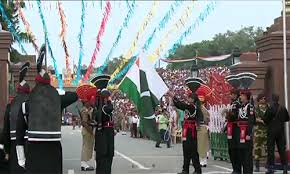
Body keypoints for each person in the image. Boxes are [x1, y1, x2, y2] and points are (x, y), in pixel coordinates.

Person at [15, 45, 78, 174]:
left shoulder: (25, 105)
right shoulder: (58, 101)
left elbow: (19, 136)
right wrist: (59, 92)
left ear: (36, 85)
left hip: (33, 150)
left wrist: (21, 160)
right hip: (53, 149)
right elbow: (75, 95)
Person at [170, 77, 204, 174]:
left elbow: (181, 105)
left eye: (189, 98)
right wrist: (174, 99)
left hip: (191, 131)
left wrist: (174, 97)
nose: (187, 99)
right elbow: (180, 105)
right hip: (187, 130)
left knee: (192, 151)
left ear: (192, 99)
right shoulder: (190, 107)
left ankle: (197, 170)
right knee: (186, 150)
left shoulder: (192, 107)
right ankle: (185, 169)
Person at [2, 62, 30, 174]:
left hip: (14, 144)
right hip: (30, 142)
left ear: (17, 90)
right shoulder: (31, 102)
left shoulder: (11, 105)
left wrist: (7, 151)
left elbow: (6, 130)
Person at [91, 74, 115, 174]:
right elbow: (110, 108)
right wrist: (109, 101)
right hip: (105, 135)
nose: (108, 97)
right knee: (105, 157)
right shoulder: (104, 108)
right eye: (107, 96)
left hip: (105, 134)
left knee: (105, 158)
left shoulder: (99, 108)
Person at [264, 94, 289, 174]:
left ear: (272, 99)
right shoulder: (283, 108)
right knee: (282, 149)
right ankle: (285, 168)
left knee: (270, 149)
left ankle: (271, 168)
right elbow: (287, 118)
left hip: (271, 131)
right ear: (278, 99)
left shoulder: (270, 108)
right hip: (281, 131)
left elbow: (265, 119)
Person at [253, 93, 269, 172]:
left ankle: (268, 164)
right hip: (258, 131)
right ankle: (257, 165)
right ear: (259, 100)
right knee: (257, 148)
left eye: (265, 98)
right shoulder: (256, 108)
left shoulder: (268, 107)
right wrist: (262, 120)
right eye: (262, 98)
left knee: (267, 148)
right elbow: (254, 118)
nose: (264, 100)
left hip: (267, 130)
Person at [196, 88, 210, 167]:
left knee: (202, 144)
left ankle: (203, 161)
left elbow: (207, 118)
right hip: (201, 126)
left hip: (201, 126)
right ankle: (202, 160)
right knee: (201, 144)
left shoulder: (202, 108)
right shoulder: (202, 107)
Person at [80, 100, 95, 171]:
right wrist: (91, 131)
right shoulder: (84, 111)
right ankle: (84, 164)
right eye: (88, 101)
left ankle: (85, 163)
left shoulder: (88, 109)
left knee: (88, 146)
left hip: (88, 130)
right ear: (85, 102)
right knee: (86, 147)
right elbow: (85, 123)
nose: (90, 102)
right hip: (87, 130)